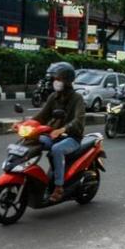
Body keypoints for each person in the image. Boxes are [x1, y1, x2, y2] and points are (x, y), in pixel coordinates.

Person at [32, 61, 86, 203]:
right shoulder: (53, 97)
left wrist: (62, 129)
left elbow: (78, 120)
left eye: (59, 79)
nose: (56, 82)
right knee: (33, 140)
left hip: (72, 138)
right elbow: (41, 116)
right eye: (55, 79)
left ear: (67, 81)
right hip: (54, 135)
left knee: (56, 149)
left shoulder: (77, 98)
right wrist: (25, 124)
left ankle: (58, 187)